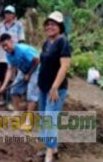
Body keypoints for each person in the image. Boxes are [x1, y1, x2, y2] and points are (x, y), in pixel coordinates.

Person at [37, 11, 71, 162]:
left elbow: (64, 67)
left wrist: (55, 87)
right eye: (48, 24)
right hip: (43, 87)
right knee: (45, 118)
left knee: (50, 120)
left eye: (54, 24)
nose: (50, 27)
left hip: (55, 90)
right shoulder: (46, 43)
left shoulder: (63, 42)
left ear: (60, 27)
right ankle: (52, 148)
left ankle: (49, 154)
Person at [0, 33, 39, 125]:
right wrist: (3, 86)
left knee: (31, 94)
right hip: (23, 70)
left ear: (11, 42)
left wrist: (29, 74)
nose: (5, 48)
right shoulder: (8, 55)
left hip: (36, 69)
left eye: (6, 45)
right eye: (3, 46)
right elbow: (10, 70)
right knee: (14, 90)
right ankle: (17, 112)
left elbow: (37, 61)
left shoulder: (23, 50)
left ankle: (28, 119)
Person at [0, 5, 25, 109]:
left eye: (10, 13)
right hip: (2, 56)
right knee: (0, 77)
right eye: (6, 12)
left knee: (12, 78)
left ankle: (10, 101)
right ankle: (2, 98)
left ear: (14, 15)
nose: (7, 14)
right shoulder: (1, 25)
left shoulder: (19, 26)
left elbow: (21, 41)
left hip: (13, 56)